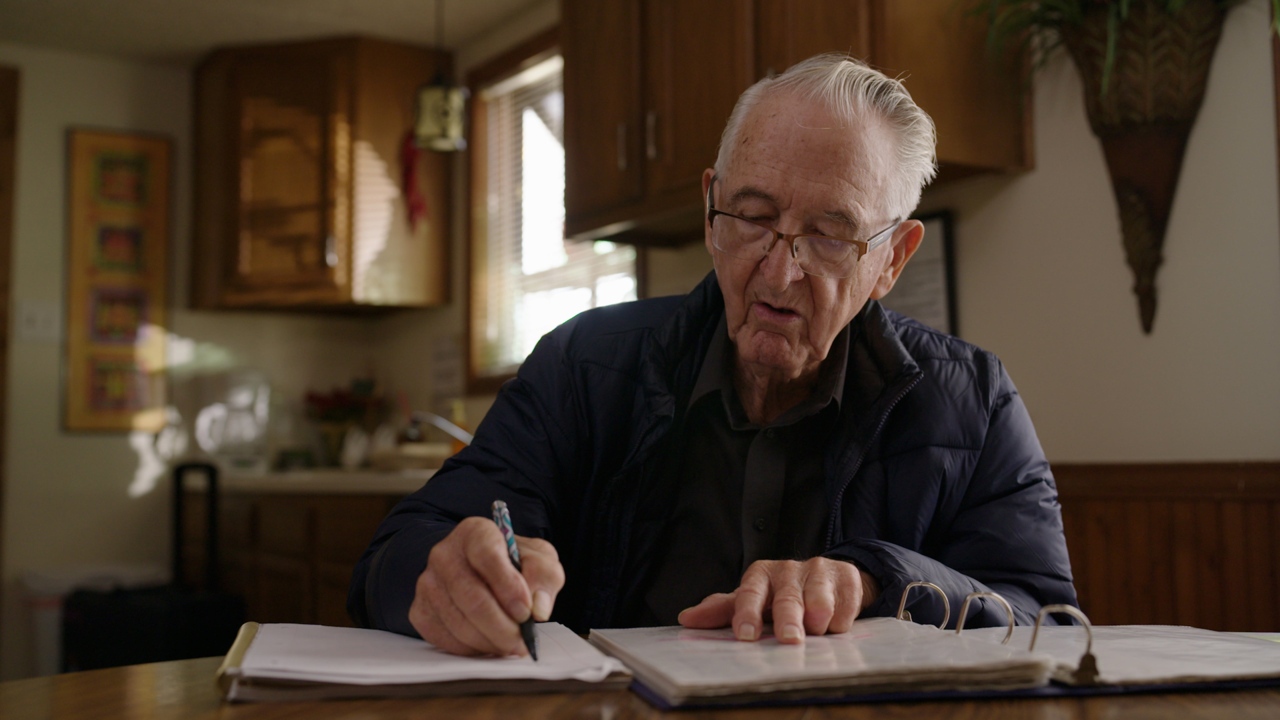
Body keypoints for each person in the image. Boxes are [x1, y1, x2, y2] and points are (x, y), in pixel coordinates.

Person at [348, 54, 1077, 657]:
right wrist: (440, 573)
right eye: (754, 218)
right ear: (710, 209)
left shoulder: (974, 401)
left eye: (828, 236)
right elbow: (405, 547)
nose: (779, 270)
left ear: (891, 259)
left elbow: (1051, 624)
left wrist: (880, 582)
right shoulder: (584, 365)